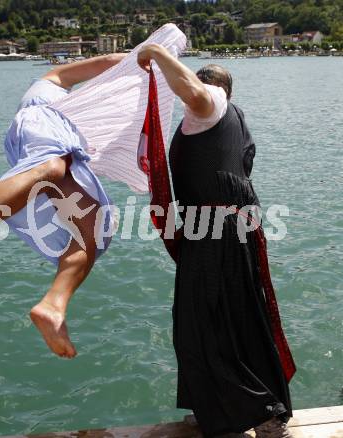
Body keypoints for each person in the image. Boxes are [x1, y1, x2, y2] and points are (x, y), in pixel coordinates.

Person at [0, 23, 186, 360]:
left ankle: (53, 306)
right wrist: (145, 58)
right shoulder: (49, 84)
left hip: (69, 151)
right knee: (52, 166)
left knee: (95, 229)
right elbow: (110, 61)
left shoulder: (78, 112)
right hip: (41, 128)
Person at [137, 46, 295, 438]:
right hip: (217, 229)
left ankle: (263, 412)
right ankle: (219, 407)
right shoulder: (221, 118)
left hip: (218, 232)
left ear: (220, 89)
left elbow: (194, 92)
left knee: (217, 319)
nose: (198, 89)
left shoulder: (212, 103)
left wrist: (157, 51)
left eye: (205, 82)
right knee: (207, 319)